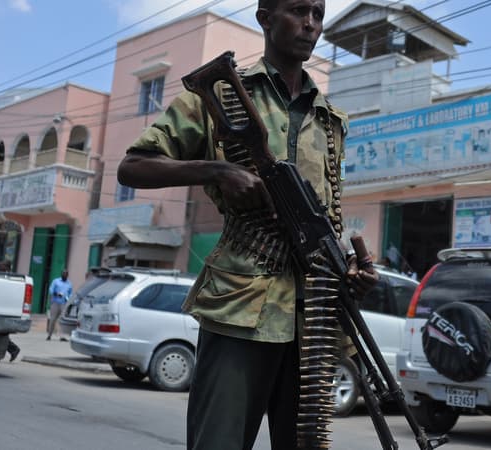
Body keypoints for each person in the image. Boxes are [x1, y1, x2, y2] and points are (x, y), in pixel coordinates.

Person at [116, 1, 378, 449]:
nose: (311, 24)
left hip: (312, 314)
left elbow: (327, 217)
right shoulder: (221, 95)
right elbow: (134, 167)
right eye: (298, 10)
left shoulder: (331, 120)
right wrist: (215, 172)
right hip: (241, 304)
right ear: (266, 17)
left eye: (318, 12)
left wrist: (350, 270)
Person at [0, 259, 20, 361]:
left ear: (7, 268)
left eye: (2, 267)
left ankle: (14, 349)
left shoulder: (11, 279)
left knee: (0, 333)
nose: (0, 269)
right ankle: (13, 349)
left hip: (4, 310)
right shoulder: (0, 277)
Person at [46, 269, 72, 342]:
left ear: (67, 275)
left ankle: (62, 336)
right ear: (61, 274)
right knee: (52, 319)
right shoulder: (56, 281)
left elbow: (70, 293)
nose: (64, 275)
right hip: (55, 302)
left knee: (62, 320)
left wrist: (68, 298)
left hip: (64, 303)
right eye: (63, 273)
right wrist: (56, 294)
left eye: (66, 274)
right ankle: (49, 335)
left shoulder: (69, 284)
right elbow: (51, 290)